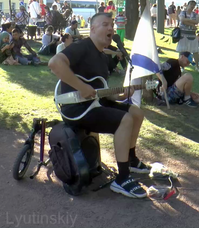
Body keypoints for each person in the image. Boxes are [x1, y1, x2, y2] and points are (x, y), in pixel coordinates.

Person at [49, 12, 152, 198]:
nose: (111, 28)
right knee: (126, 120)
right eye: (105, 24)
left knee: (137, 113)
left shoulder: (102, 56)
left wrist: (121, 95)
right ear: (93, 28)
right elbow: (55, 63)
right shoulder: (82, 47)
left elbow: (100, 92)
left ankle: (131, 159)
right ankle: (122, 179)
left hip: (94, 104)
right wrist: (81, 86)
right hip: (77, 109)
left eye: (112, 25)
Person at [177, 0, 199, 72]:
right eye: (191, 4)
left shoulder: (195, 14)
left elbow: (196, 21)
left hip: (192, 35)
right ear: (188, 5)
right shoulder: (183, 12)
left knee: (195, 50)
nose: (192, 6)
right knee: (182, 50)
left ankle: (197, 66)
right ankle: (181, 67)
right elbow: (182, 20)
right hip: (183, 34)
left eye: (193, 5)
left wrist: (187, 21)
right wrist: (192, 24)